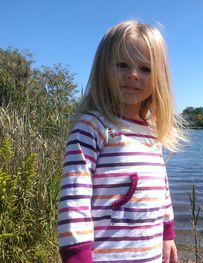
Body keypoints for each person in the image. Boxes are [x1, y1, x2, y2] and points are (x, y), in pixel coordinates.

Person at [57, 20, 186, 263]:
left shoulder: (151, 132)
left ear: (160, 77)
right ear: (103, 68)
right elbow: (74, 198)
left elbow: (162, 189)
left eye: (146, 68)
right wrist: (77, 256)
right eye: (122, 64)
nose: (133, 74)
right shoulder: (93, 126)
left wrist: (167, 234)